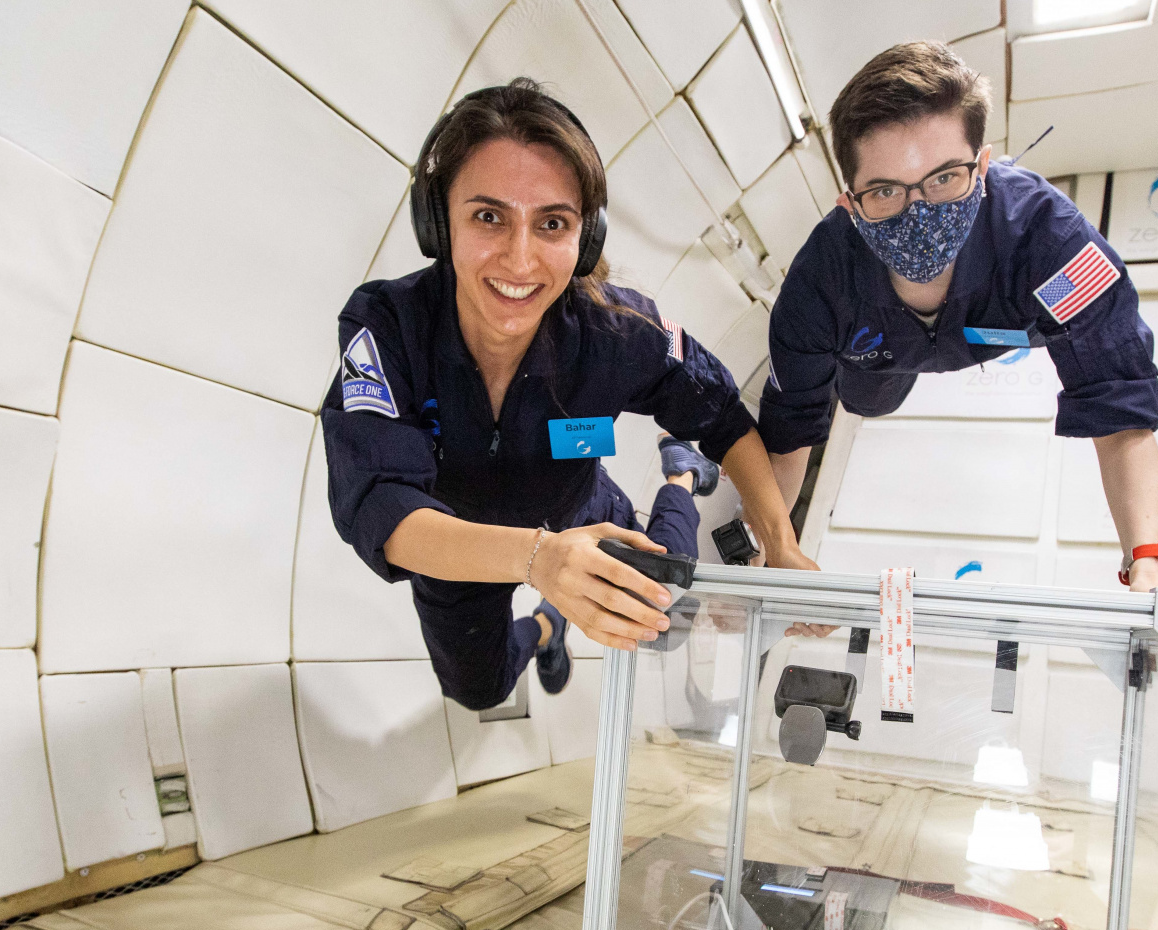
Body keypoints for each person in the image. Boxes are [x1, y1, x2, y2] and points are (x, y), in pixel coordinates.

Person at [323, 79, 816, 712]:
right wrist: (538, 561)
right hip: (458, 543)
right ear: (438, 222)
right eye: (489, 217)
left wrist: (781, 542)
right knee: (477, 690)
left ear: (585, 239)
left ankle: (678, 477)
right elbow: (380, 504)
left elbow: (721, 412)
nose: (520, 260)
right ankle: (546, 627)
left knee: (664, 615)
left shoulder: (616, 328)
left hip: (576, 506)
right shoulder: (388, 326)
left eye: (551, 224)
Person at [762, 42, 1158, 591]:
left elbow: (1119, 406)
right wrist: (770, 554)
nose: (919, 210)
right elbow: (787, 439)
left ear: (982, 167)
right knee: (867, 402)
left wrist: (1147, 562)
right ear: (850, 204)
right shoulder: (819, 283)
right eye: (884, 191)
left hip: (1006, 328)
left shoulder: (1052, 246)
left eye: (945, 178)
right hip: (877, 356)